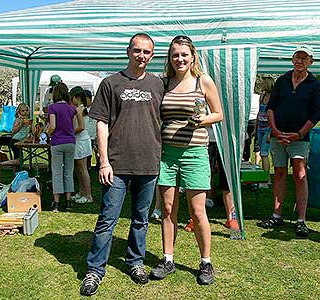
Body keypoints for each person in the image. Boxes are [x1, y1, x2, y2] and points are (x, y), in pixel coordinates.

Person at [80, 33, 164, 296]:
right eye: (137, 50)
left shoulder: (159, 85)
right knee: (107, 219)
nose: (142, 56)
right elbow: (101, 124)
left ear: (152, 55)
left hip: (149, 163)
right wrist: (103, 161)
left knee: (141, 219)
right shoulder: (110, 83)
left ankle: (135, 262)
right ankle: (94, 270)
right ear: (128, 51)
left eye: (147, 52)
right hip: (116, 164)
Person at [150, 35, 222, 285]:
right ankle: (167, 258)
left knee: (197, 211)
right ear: (169, 59)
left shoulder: (203, 81)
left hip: (195, 153)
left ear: (193, 56)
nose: (179, 59)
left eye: (184, 54)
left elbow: (218, 114)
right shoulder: (163, 83)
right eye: (174, 55)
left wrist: (202, 120)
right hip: (166, 154)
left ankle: (206, 263)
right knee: (168, 209)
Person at [258, 45, 320, 238]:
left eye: (304, 58)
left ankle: (301, 220)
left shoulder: (314, 84)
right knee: (278, 173)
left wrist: (299, 134)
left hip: (299, 138)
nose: (299, 61)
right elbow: (270, 108)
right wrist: (276, 131)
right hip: (279, 136)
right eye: (296, 57)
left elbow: (315, 115)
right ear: (292, 59)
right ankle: (276, 214)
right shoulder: (282, 80)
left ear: (311, 61)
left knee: (300, 175)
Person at [48, 82, 82, 212]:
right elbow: (75, 127)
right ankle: (68, 202)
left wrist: (48, 133)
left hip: (57, 142)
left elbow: (52, 126)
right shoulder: (72, 109)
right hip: (70, 142)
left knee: (57, 173)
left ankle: (56, 203)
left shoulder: (53, 108)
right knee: (68, 172)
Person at [69, 86, 94, 204]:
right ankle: (81, 192)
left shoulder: (80, 109)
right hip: (79, 141)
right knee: (78, 169)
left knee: (83, 169)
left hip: (81, 141)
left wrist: (69, 132)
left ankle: (88, 195)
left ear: (76, 97)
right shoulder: (80, 108)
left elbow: (81, 127)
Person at [0, 103, 32, 168]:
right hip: (15, 141)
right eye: (23, 111)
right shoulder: (18, 119)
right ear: (19, 111)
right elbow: (13, 130)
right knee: (19, 160)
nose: (25, 112)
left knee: (18, 159)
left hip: (22, 141)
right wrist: (21, 124)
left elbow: (28, 131)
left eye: (26, 110)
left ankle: (16, 172)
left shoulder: (28, 120)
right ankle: (1, 163)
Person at [256, 76, 274, 188]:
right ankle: (268, 179)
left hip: (268, 129)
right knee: (262, 154)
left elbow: (275, 115)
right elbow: (259, 112)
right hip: (260, 128)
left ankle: (265, 181)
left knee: (264, 154)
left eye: (263, 83)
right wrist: (255, 129)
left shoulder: (273, 98)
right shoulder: (262, 96)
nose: (261, 85)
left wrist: (271, 132)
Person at [243, 92, 260, 162]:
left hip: (247, 120)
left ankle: (247, 158)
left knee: (247, 141)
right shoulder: (259, 97)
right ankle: (257, 162)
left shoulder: (246, 96)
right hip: (256, 119)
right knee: (257, 142)